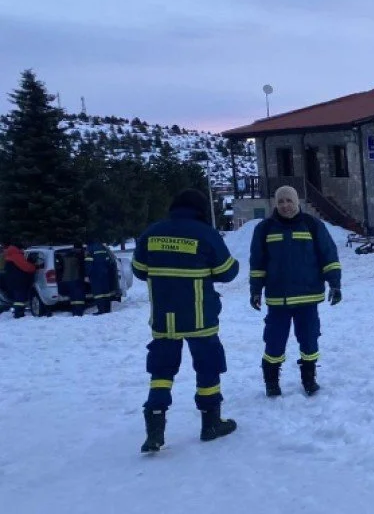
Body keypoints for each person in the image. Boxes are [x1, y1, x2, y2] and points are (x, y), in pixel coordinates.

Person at [132, 189, 240, 453]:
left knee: (161, 371)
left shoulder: (152, 233)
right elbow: (227, 272)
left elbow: (138, 270)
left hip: (163, 318)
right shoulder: (205, 233)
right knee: (208, 367)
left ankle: (155, 430)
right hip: (199, 316)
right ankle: (210, 423)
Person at [249, 185, 341, 397]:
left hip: (308, 299)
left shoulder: (312, 225)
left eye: (289, 201)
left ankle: (309, 379)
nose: (285, 205)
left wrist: (335, 284)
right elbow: (257, 264)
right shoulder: (264, 229)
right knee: (274, 342)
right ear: (275, 204)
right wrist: (255, 291)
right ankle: (271, 382)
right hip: (278, 300)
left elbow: (329, 256)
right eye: (280, 201)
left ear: (297, 202)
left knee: (309, 340)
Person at [2, 242, 36, 318]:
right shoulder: (16, 256)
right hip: (18, 281)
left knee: (18, 298)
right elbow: (27, 267)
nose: (23, 250)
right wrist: (34, 267)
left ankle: (18, 312)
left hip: (12, 280)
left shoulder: (10, 255)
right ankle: (19, 314)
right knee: (20, 299)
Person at [85, 240, 115, 315]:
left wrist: (87, 274)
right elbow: (108, 261)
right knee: (106, 292)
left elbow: (89, 263)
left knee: (98, 293)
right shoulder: (102, 248)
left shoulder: (89, 249)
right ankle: (107, 309)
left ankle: (101, 310)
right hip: (105, 273)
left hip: (95, 274)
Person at [60, 244, 87, 316]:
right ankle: (79, 312)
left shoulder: (65, 257)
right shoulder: (78, 258)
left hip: (66, 280)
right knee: (79, 297)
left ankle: (75, 312)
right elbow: (82, 267)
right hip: (76, 279)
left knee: (73, 297)